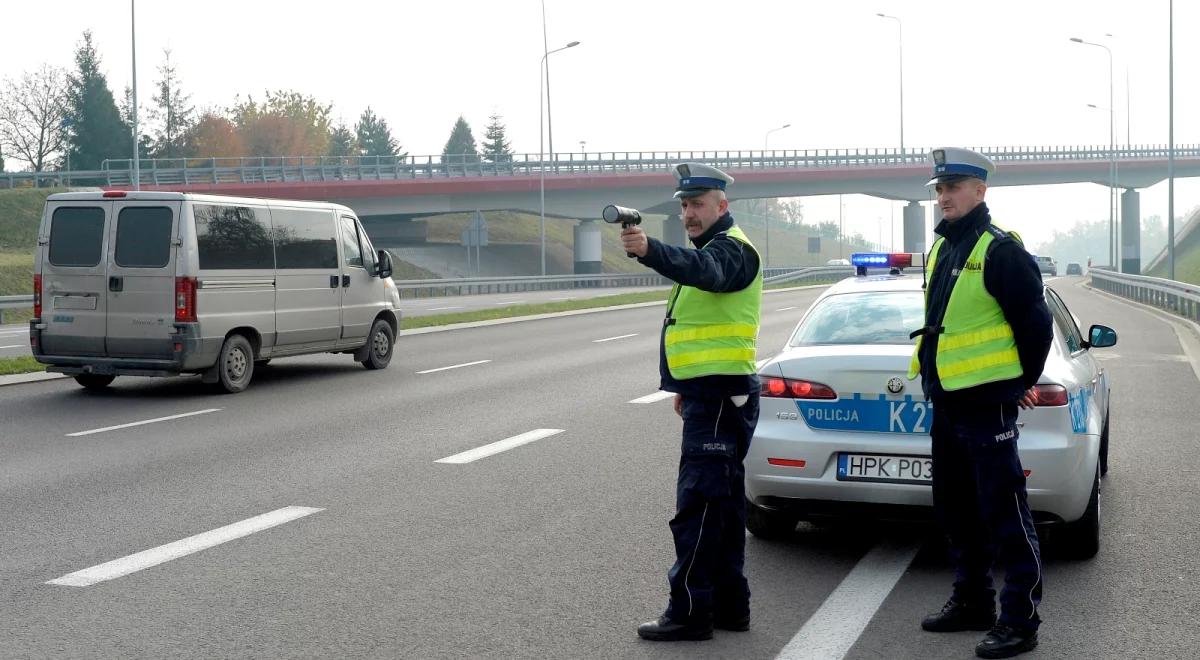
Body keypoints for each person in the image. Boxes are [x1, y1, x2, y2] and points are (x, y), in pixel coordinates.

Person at [908, 148, 1053, 659]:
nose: (944, 196)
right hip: (947, 404)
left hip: (988, 406)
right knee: (956, 510)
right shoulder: (941, 249)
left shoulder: (1000, 250)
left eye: (954, 187)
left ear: (980, 191)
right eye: (939, 189)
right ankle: (972, 601)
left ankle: (1020, 619)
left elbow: (1036, 325)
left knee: (1004, 512)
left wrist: (1019, 383)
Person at [621, 163, 762, 642]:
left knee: (697, 508)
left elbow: (707, 273)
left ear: (722, 205)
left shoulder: (732, 251)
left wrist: (650, 251)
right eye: (683, 205)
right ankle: (729, 607)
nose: (688, 214)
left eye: (697, 204)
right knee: (720, 510)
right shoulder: (715, 248)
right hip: (712, 393)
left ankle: (688, 612)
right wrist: (686, 384)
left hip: (721, 399)